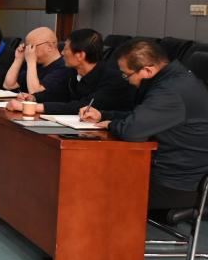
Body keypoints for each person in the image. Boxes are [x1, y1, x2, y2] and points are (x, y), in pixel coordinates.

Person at [81, 39, 208, 217]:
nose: (128, 81)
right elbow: (141, 117)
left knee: (90, 184)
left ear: (148, 70)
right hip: (174, 174)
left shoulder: (170, 91)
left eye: (127, 75)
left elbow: (132, 131)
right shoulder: (175, 80)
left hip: (176, 184)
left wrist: (110, 124)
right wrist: (104, 115)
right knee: (93, 173)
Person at [7, 29, 135, 115]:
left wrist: (33, 107)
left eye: (66, 49)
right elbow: (58, 94)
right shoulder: (72, 72)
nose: (62, 53)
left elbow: (82, 106)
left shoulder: (113, 78)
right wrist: (33, 98)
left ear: (80, 55)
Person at [2, 27, 70, 100]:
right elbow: (8, 85)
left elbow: (36, 94)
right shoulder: (36, 64)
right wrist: (18, 59)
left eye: (31, 47)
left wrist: (31, 62)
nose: (28, 51)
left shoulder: (64, 67)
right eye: (27, 47)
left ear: (49, 46)